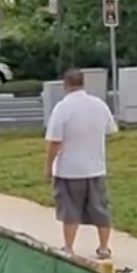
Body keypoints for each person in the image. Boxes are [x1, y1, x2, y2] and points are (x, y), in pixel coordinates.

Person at [44, 68, 118, 258]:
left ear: (65, 84)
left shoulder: (62, 108)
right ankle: (103, 247)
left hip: (69, 169)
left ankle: (68, 247)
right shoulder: (98, 105)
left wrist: (48, 166)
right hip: (95, 167)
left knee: (70, 209)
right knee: (100, 208)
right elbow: (110, 129)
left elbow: (55, 141)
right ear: (83, 83)